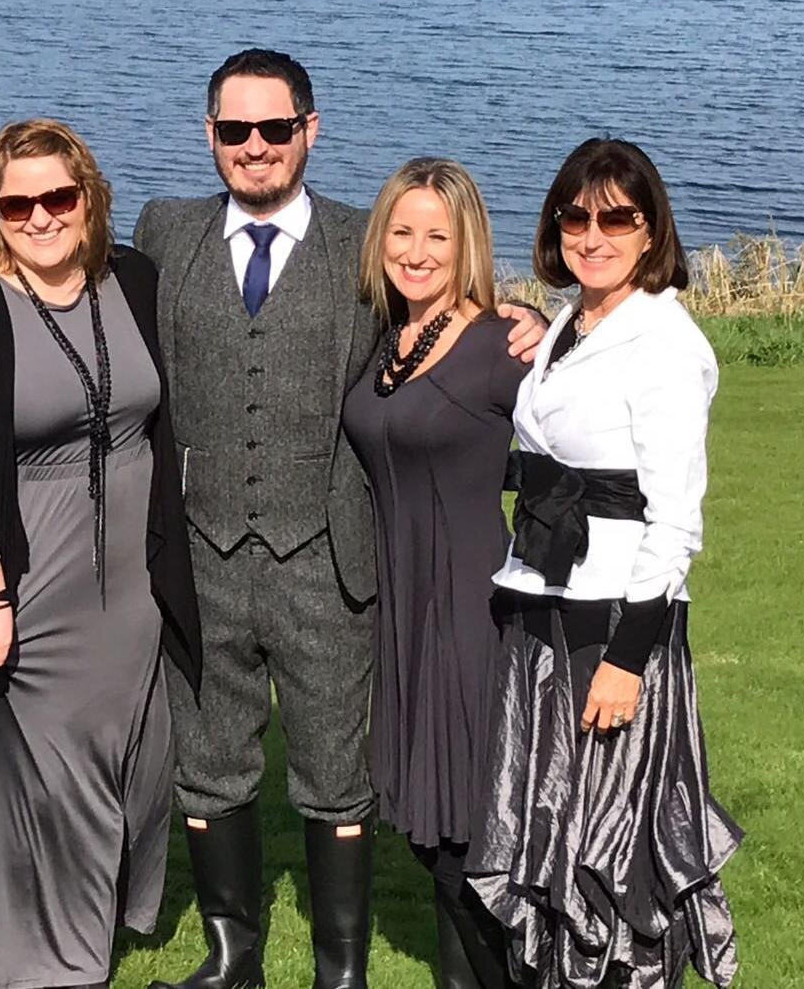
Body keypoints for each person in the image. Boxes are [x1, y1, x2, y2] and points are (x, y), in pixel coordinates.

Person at [134, 49, 545, 989]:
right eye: (235, 129)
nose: (255, 146)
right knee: (209, 758)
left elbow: (447, 309)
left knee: (334, 770)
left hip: (330, 559)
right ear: (210, 134)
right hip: (199, 554)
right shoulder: (163, 230)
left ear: (309, 131)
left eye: (275, 128)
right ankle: (231, 958)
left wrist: (527, 314)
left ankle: (342, 971)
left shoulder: (370, 244)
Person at [0, 118, 201, 989]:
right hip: (33, 581)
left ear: (89, 197)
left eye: (58, 197)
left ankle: (33, 913)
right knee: (55, 777)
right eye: (17, 204)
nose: (40, 217)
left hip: (135, 581)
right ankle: (58, 964)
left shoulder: (132, 279)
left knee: (124, 763)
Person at [476, 137, 741, 988]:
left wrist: (628, 661)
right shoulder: (570, 320)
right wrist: (523, 315)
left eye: (617, 219)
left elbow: (675, 522)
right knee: (551, 821)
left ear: (651, 229)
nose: (593, 236)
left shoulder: (666, 344)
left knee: (612, 844)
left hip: (615, 622)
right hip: (543, 598)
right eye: (576, 217)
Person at [339, 158, 529, 988]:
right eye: (402, 231)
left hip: (468, 607)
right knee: (432, 832)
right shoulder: (391, 336)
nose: (415, 252)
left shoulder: (498, 347)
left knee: (464, 836)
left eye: (437, 237)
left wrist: (547, 321)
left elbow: (592, 429)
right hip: (401, 607)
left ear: (468, 245)